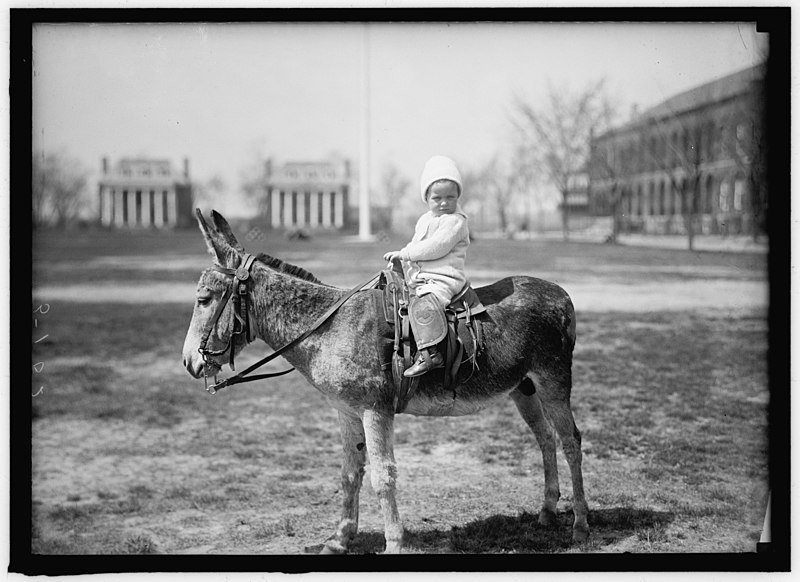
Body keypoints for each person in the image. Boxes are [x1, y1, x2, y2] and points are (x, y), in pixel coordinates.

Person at [383, 155, 470, 378]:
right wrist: (400, 257)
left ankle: (431, 354)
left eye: (450, 197)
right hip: (422, 278)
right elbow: (416, 244)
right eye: (437, 198)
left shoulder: (456, 222)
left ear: (458, 196)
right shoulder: (424, 220)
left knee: (424, 306)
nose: (444, 203)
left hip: (444, 279)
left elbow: (436, 247)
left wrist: (407, 254)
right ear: (427, 199)